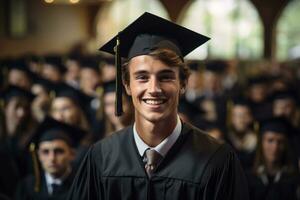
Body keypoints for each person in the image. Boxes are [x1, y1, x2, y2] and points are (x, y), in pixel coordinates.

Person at [67, 12, 248, 200]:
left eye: (165, 77)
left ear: (183, 83)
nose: (153, 89)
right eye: (142, 77)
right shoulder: (101, 158)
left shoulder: (217, 160)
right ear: (127, 85)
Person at [15, 117, 84, 200]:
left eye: (59, 151)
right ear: (38, 155)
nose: (52, 158)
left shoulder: (83, 186)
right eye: (45, 152)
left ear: (72, 154)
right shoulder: (28, 187)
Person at [247, 117, 300, 200]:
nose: (275, 147)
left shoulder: (294, 180)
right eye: (270, 140)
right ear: (261, 143)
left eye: (280, 141)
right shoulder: (248, 179)